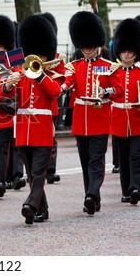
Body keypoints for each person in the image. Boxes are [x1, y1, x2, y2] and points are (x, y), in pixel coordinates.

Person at [61, 11, 123, 215]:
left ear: (97, 44)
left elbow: (119, 90)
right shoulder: (74, 66)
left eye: (90, 45)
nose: (87, 49)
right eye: (84, 45)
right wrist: (63, 87)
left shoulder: (109, 67)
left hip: (100, 119)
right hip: (80, 120)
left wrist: (107, 91)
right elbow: (66, 83)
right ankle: (92, 195)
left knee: (97, 160)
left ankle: (91, 194)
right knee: (85, 160)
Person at [3, 14, 62, 224]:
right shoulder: (20, 70)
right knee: (30, 173)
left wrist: (40, 75)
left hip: (43, 129)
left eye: (40, 54)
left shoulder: (51, 73)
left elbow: (56, 91)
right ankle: (41, 209)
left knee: (38, 172)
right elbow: (8, 94)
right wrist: (9, 84)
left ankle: (30, 204)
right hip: (23, 129)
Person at [0, 15, 25, 194]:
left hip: (6, 112)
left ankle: (0, 182)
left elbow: (21, 76)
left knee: (3, 150)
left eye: (1, 46)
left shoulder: (14, 57)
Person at [110, 18, 140, 205]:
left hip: (137, 119)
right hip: (120, 119)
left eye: (130, 52)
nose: (127, 55)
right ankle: (126, 190)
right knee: (123, 157)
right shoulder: (114, 72)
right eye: (124, 51)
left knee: (136, 156)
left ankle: (136, 187)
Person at [35, 12, 66, 185]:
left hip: (49, 103)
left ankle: (51, 170)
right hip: (32, 105)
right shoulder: (28, 56)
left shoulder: (57, 58)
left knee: (51, 138)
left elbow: (60, 78)